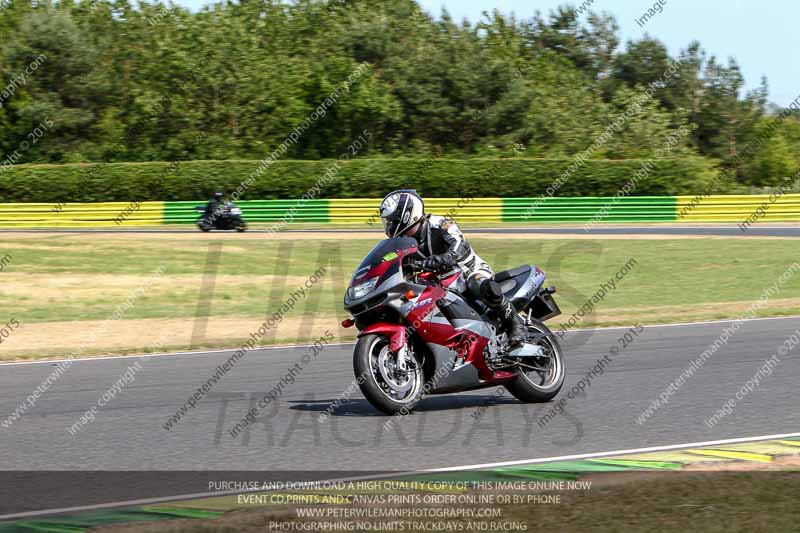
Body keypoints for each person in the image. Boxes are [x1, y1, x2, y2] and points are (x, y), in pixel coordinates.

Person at [379, 189, 526, 348]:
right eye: (387, 221)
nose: (389, 225)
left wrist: (433, 261)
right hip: (436, 283)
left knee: (480, 285)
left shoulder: (440, 224)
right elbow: (388, 260)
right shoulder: (402, 243)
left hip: (467, 272)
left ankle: (516, 324)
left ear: (406, 215)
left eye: (391, 221)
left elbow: (459, 246)